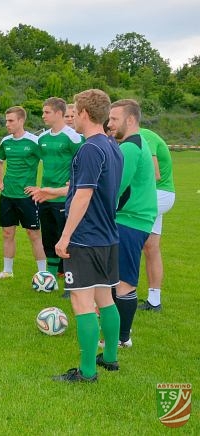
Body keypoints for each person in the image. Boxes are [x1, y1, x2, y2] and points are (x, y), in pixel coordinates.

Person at [33, 89, 123, 383]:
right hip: (108, 236)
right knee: (105, 297)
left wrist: (64, 236)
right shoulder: (112, 146)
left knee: (82, 303)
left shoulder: (89, 149)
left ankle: (86, 372)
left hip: (85, 238)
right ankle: (110, 358)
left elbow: (83, 195)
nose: (73, 117)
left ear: (84, 114)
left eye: (75, 111)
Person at [105, 99, 157, 348]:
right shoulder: (138, 143)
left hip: (129, 221)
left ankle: (122, 338)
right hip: (135, 220)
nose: (110, 124)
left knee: (124, 282)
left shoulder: (130, 147)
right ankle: (117, 333)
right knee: (117, 279)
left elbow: (114, 188)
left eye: (114, 119)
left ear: (130, 120)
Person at [26, 98, 83, 296]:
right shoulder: (42, 139)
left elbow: (83, 162)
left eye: (47, 112)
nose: (43, 116)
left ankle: (70, 284)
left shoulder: (74, 137)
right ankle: (49, 281)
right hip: (45, 198)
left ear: (59, 113)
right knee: (48, 240)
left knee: (66, 242)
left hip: (64, 199)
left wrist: (73, 182)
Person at [0, 106, 46, 279]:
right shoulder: (6, 142)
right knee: (7, 233)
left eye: (11, 121)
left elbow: (49, 164)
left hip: (27, 197)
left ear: (21, 121)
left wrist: (40, 188)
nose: (7, 124)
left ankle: (43, 273)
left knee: (33, 234)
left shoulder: (34, 142)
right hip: (7, 196)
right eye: (6, 120)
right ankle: (7, 271)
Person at [139, 128, 175, 312]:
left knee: (123, 233)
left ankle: (117, 295)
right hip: (158, 194)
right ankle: (154, 301)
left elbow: (154, 173)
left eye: (114, 119)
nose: (111, 124)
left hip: (158, 194)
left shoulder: (144, 137)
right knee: (150, 247)